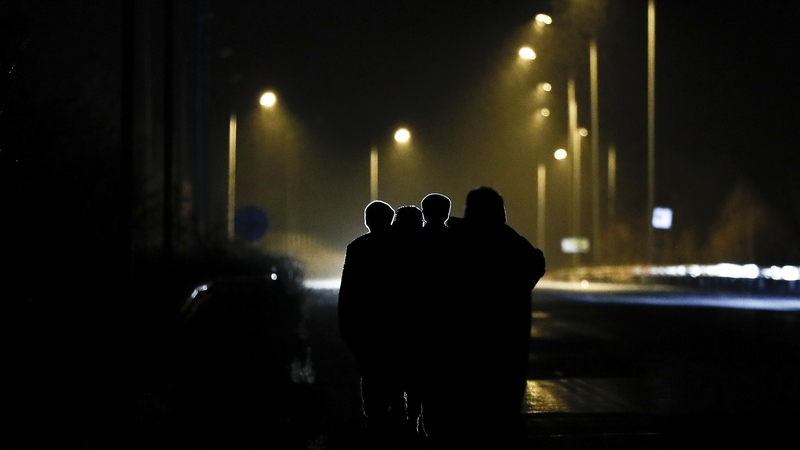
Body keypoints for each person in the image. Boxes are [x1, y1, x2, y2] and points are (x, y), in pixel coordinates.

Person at [425, 186, 546, 449]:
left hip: (459, 344)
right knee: (502, 414)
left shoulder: (453, 241)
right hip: (505, 343)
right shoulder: (510, 243)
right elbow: (536, 262)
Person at [337, 200, 405, 442]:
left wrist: (347, 327)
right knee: (398, 380)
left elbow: (348, 292)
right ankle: (402, 427)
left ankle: (376, 428)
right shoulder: (403, 246)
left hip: (368, 328)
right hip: (399, 327)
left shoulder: (357, 248)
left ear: (367, 221)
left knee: (372, 379)